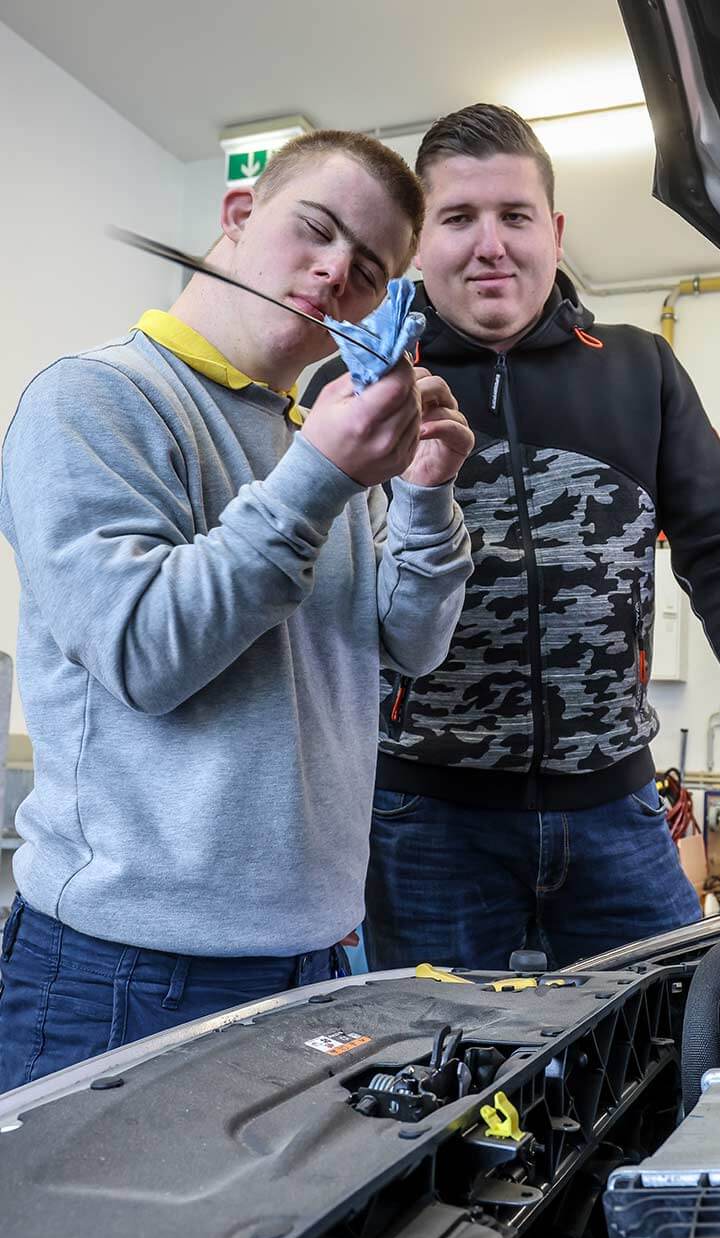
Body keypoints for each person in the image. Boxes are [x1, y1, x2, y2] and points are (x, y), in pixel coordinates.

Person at [303, 104, 720, 973]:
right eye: (458, 218)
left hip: (617, 815)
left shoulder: (640, 368)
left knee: (665, 1050)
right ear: (416, 241)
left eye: (515, 216)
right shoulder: (357, 383)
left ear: (552, 231)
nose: (491, 244)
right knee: (443, 1088)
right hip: (422, 822)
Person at [0, 129, 474, 1090]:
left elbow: (408, 647)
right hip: (124, 974)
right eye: (318, 229)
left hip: (318, 960)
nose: (337, 271)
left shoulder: (320, 441)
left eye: (371, 269)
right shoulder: (94, 400)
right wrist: (321, 476)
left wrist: (424, 491)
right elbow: (144, 653)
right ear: (238, 214)